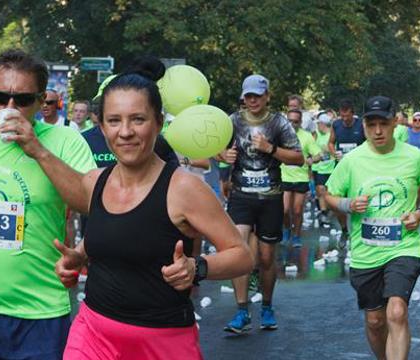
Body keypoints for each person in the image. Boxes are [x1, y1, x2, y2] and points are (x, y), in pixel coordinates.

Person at [14, 57, 253, 359]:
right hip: (93, 334)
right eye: (114, 120)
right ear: (101, 126)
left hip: (162, 341)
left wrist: (197, 267)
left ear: (158, 122)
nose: (125, 132)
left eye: (137, 119)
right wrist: (81, 255)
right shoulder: (95, 182)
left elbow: (242, 255)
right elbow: (118, 228)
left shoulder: (184, 189)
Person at [0, 50, 96, 359]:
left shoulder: (65, 141)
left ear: (40, 101)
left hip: (40, 312)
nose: (9, 108)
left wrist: (37, 149)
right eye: (0, 96)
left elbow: (90, 203)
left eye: (22, 100)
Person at [323, 96, 420, 360]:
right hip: (366, 253)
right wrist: (348, 203)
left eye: (383, 124)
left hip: (404, 246)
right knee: (376, 322)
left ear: (395, 122)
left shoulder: (414, 157)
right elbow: (328, 195)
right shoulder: (352, 161)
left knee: (396, 312)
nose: (377, 131)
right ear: (364, 125)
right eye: (371, 124)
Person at [216, 74, 303, 333]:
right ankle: (242, 310)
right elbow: (213, 147)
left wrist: (271, 149)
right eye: (248, 96)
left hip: (270, 197)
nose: (252, 100)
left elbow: (298, 158)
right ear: (244, 97)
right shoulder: (232, 120)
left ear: (267, 96)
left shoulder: (279, 123)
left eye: (257, 95)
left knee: (266, 258)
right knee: (239, 250)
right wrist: (223, 154)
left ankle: (266, 306)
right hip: (241, 196)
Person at [281, 109, 322, 247]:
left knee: (298, 210)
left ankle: (296, 236)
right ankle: (287, 229)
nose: (292, 124)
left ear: (300, 123)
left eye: (296, 121)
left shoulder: (306, 136)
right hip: (284, 176)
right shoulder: (280, 135)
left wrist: (312, 160)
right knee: (285, 210)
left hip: (301, 177)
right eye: (289, 121)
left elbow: (318, 154)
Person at [328, 99, 365, 249]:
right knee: (337, 202)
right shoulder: (336, 125)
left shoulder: (361, 124)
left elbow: (369, 143)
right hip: (341, 168)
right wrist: (333, 153)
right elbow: (330, 143)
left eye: (347, 116)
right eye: (342, 116)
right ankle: (344, 230)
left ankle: (361, 233)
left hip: (359, 169)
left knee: (360, 202)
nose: (344, 119)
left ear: (353, 114)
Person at [312, 113, 336, 225]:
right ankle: (323, 213)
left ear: (323, 124)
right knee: (320, 190)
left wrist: (331, 150)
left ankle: (329, 210)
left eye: (319, 124)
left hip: (331, 167)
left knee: (329, 192)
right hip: (319, 167)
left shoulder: (332, 134)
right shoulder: (315, 134)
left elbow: (335, 148)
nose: (317, 126)